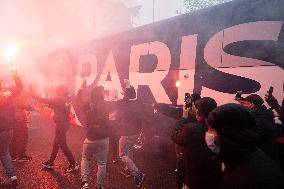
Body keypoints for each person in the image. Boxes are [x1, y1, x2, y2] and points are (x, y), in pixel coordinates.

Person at [207, 103, 284, 189]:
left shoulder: (251, 179)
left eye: (211, 129)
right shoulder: (242, 156)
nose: (208, 134)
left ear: (228, 133)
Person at [171, 97, 222, 189]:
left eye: (196, 108)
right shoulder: (221, 128)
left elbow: (175, 136)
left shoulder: (191, 129)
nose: (194, 110)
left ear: (199, 112)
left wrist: (184, 117)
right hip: (215, 179)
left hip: (194, 180)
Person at [29, 85, 79, 172]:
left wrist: (31, 94)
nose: (56, 92)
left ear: (60, 91)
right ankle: (50, 162)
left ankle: (73, 163)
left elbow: (43, 99)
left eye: (57, 90)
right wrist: (50, 105)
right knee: (56, 144)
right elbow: (59, 107)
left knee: (63, 145)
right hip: (64, 123)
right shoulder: (66, 98)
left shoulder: (59, 98)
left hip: (61, 125)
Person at [116, 83, 145, 188]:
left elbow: (119, 103)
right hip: (136, 132)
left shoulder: (122, 103)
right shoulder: (139, 103)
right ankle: (128, 169)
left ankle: (138, 174)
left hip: (126, 133)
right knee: (129, 150)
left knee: (122, 154)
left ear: (126, 94)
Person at [80, 86, 110, 189]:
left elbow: (79, 99)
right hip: (103, 138)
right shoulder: (106, 105)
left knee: (85, 159)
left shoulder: (88, 105)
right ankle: (99, 186)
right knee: (102, 163)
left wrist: (81, 89)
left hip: (90, 138)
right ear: (101, 94)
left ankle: (85, 183)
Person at [0, 70, 23, 187]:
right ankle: (13, 177)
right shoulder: (8, 92)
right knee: (4, 152)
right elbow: (20, 86)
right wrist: (15, 72)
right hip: (8, 129)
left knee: (4, 152)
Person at [241, 94, 279, 163]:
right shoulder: (266, 114)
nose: (243, 106)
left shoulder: (257, 119)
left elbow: (252, 139)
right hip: (272, 155)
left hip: (264, 158)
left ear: (251, 105)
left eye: (244, 104)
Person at [10, 90, 34, 162]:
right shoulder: (18, 98)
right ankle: (21, 156)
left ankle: (12, 155)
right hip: (19, 120)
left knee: (14, 138)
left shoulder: (11, 97)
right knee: (23, 137)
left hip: (13, 120)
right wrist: (33, 108)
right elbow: (25, 106)